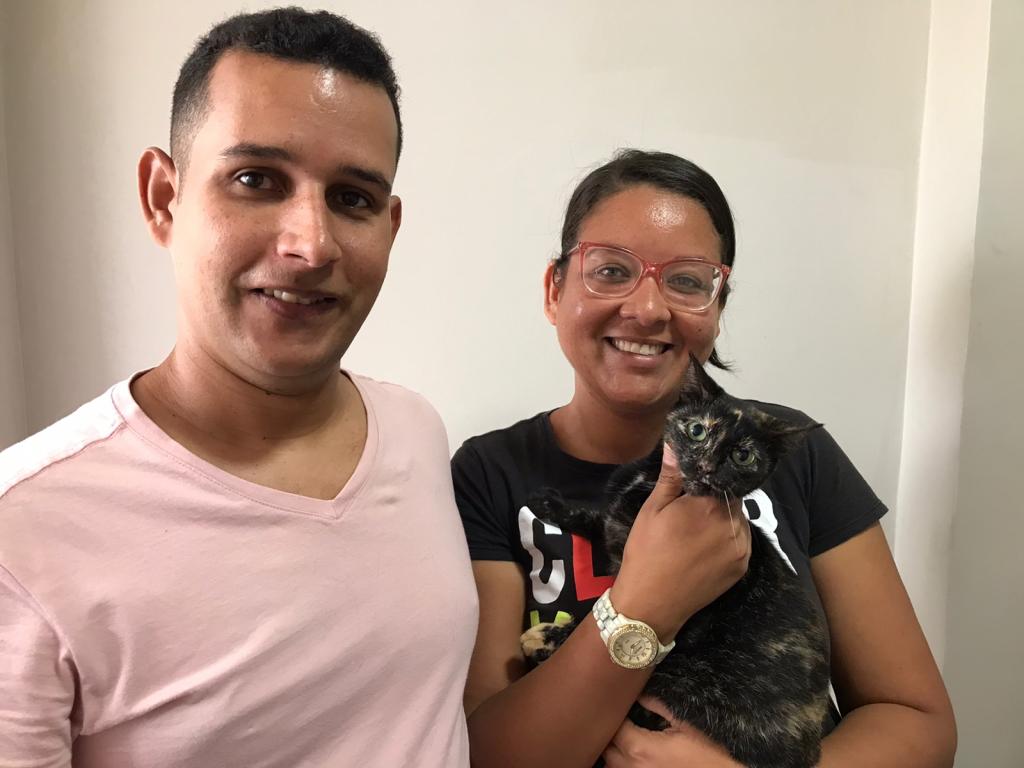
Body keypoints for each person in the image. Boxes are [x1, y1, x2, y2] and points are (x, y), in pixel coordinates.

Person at [0, 8, 476, 767]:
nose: (310, 244)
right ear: (163, 196)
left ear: (390, 227)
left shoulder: (415, 429)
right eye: (256, 180)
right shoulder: (23, 534)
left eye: (351, 198)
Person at [453, 149, 956, 767]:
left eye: (688, 281)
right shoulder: (488, 473)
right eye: (610, 270)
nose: (647, 309)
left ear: (717, 310)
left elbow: (917, 721)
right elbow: (484, 754)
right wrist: (646, 605)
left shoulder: (790, 451)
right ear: (555, 291)